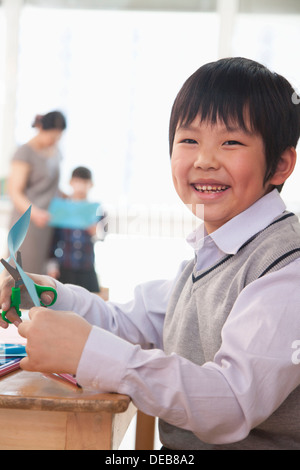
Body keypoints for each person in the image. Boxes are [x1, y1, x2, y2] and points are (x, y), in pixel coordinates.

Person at [1, 57, 300, 450]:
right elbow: (128, 322)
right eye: (189, 140)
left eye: (231, 142)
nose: (204, 160)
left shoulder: (285, 266)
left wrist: (90, 352)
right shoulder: (212, 254)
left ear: (280, 165)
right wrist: (52, 295)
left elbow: (231, 403)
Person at [8, 111, 67, 274]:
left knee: (41, 276)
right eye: (52, 136)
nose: (55, 141)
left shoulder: (55, 151)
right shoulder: (24, 153)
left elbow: (53, 186)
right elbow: (14, 191)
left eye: (58, 137)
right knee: (21, 274)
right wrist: (34, 213)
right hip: (27, 222)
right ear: (40, 128)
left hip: (48, 222)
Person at [47, 166, 103, 293]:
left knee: (92, 300)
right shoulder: (61, 209)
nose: (80, 186)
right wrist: (52, 265)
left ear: (91, 184)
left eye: (84, 183)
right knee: (63, 300)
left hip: (87, 266)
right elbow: (54, 240)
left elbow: (103, 235)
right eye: (77, 182)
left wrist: (97, 233)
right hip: (65, 266)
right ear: (71, 182)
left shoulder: (97, 210)